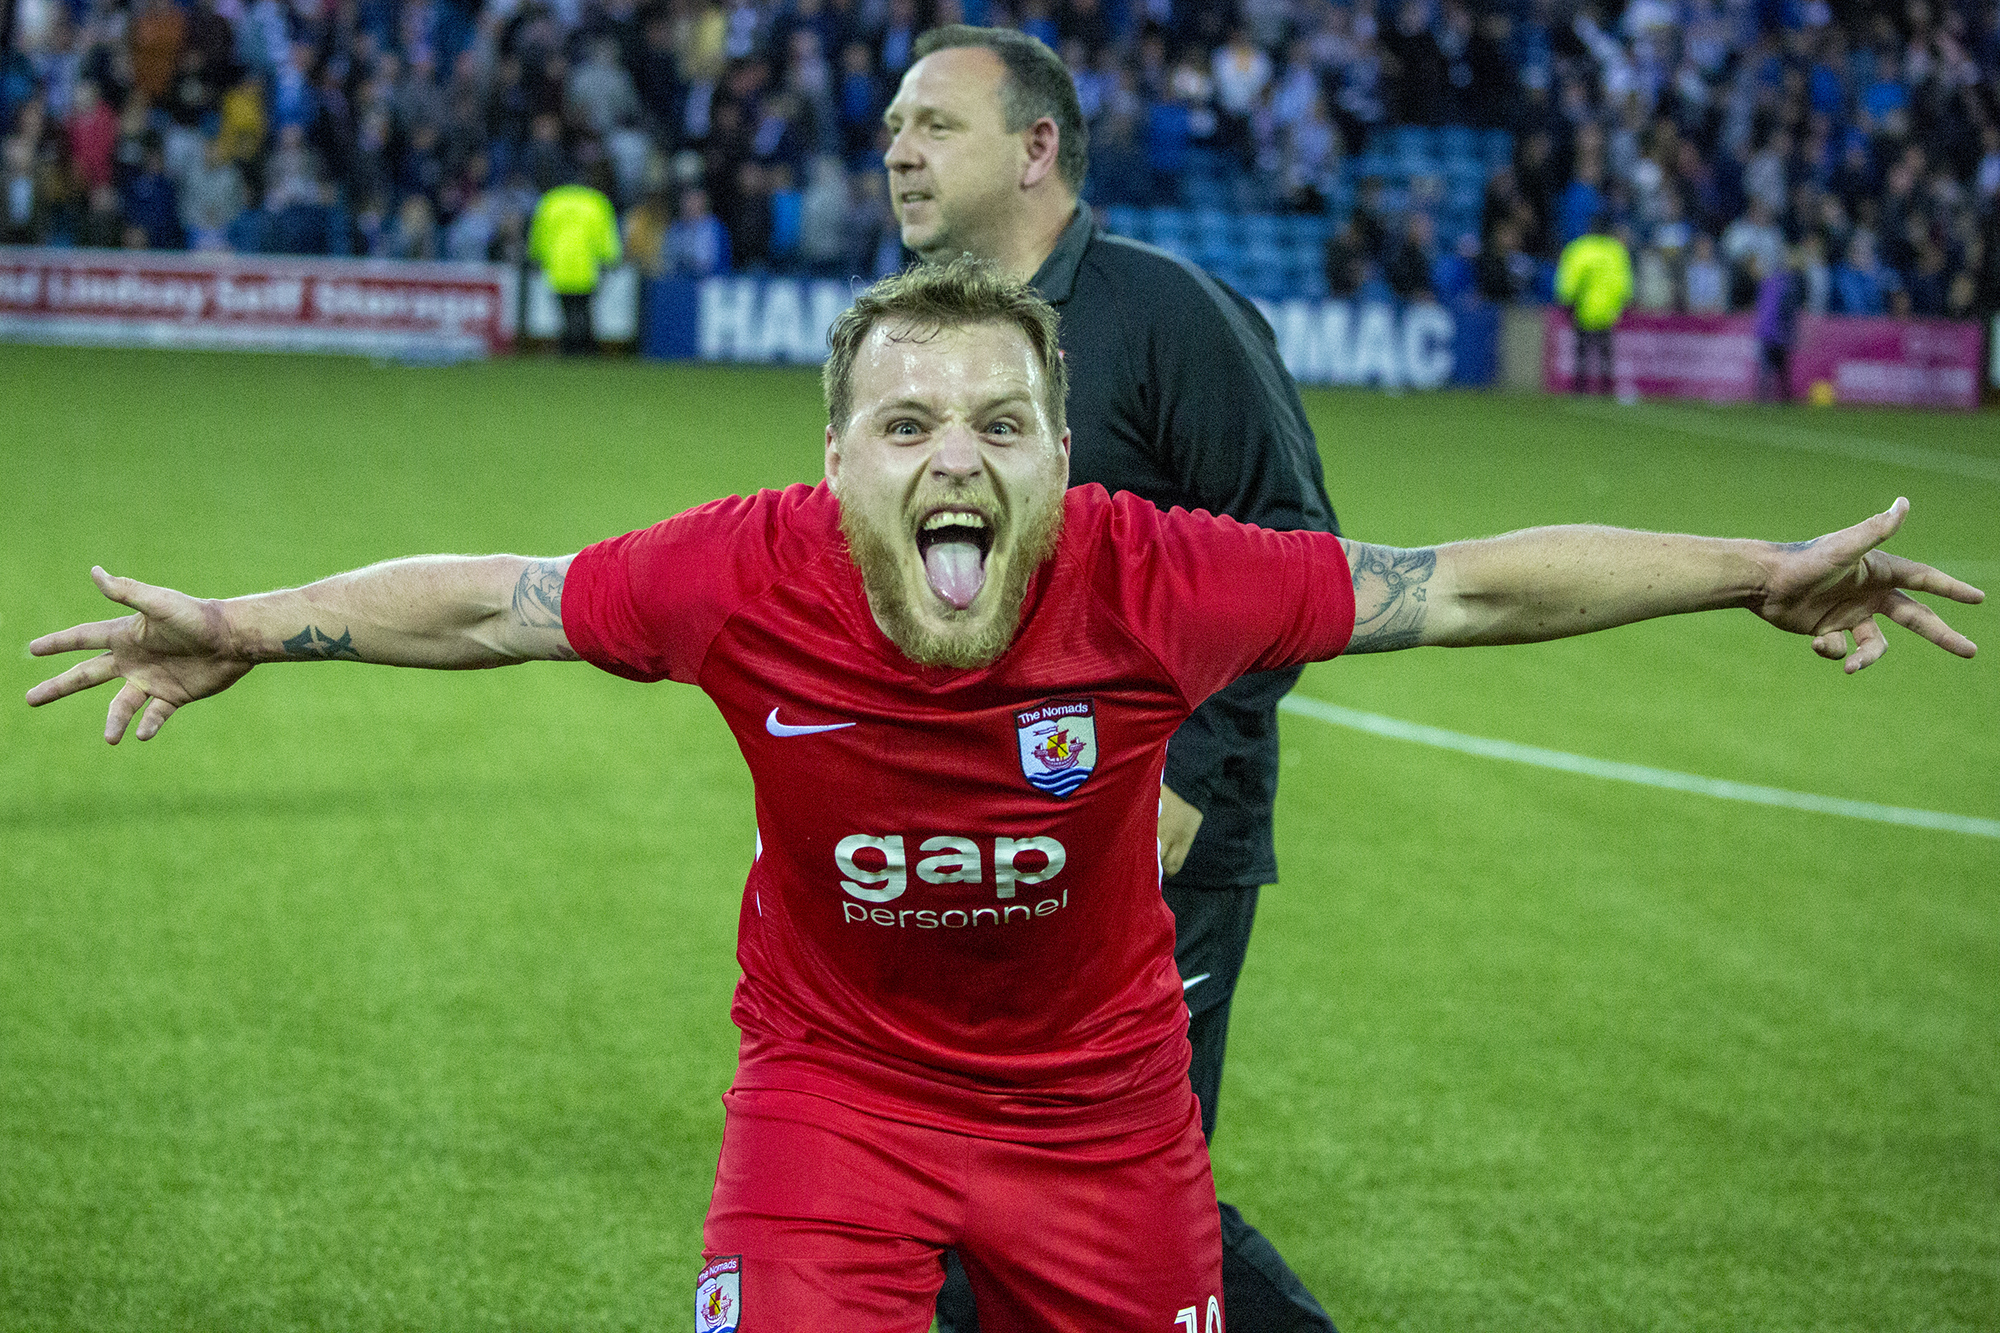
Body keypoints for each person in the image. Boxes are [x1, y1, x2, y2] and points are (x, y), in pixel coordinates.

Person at [25, 262, 1983, 1332]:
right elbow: (501, 604)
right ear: (833, 459)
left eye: (1000, 423)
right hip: (831, 1101)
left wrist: (1751, 568)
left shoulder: (1153, 569)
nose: (952, 454)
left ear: (1059, 458)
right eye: (905, 422)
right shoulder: (746, 570)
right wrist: (258, 625)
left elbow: (1456, 582)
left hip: (1102, 1125)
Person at [881, 25, 1344, 1330]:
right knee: (995, 1191)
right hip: (994, 840)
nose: (900, 156)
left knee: (1099, 1196)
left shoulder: (1167, 315)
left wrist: (1190, 774)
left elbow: (1297, 559)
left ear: (1037, 148)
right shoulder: (938, 341)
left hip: (1157, 841)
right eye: (891, 138)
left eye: (933, 127)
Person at [528, 171, 622, 355]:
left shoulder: (551, 201)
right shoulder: (595, 201)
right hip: (586, 266)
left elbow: (539, 233)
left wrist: (535, 257)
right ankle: (586, 350)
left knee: (566, 311)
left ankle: (568, 348)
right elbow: (606, 234)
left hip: (559, 266)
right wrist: (611, 259)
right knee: (585, 310)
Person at [1555, 210, 1634, 399]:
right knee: (1605, 353)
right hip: (1607, 310)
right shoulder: (1616, 250)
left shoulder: (1579, 248)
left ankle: (1580, 389)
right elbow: (1624, 282)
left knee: (1582, 351)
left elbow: (1568, 278)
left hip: (1583, 308)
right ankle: (1606, 389)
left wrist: (1566, 301)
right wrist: (1623, 303)